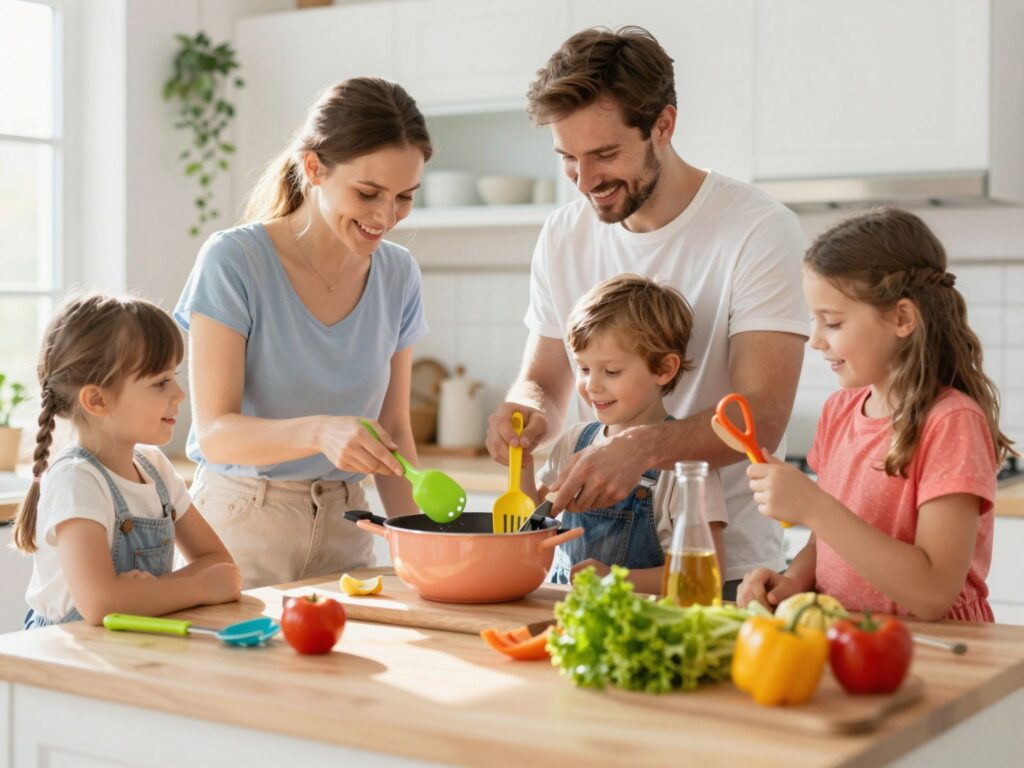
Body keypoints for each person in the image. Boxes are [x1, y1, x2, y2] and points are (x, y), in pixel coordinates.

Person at [485, 27, 808, 600]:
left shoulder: (757, 229)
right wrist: (525, 410)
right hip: (585, 578)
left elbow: (765, 415)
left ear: (663, 124)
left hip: (725, 574)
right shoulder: (563, 235)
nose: (585, 182)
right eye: (568, 158)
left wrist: (638, 448)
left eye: (605, 154)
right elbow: (544, 381)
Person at [174, 77, 432, 589]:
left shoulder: (399, 274)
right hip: (242, 531)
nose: (386, 216)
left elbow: (394, 434)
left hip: (347, 529)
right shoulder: (235, 261)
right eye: (368, 192)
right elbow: (215, 434)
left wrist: (423, 549)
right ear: (314, 167)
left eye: (404, 197)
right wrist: (320, 431)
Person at [738, 208, 1014, 621]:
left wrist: (813, 506)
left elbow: (933, 592)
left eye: (831, 322)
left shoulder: (951, 422)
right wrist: (794, 579)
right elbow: (828, 543)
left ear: (902, 318)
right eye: (814, 320)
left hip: (944, 648)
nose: (814, 340)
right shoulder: (839, 412)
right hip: (850, 636)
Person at [13, 296, 241, 627]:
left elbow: (220, 563)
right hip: (66, 655)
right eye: (160, 382)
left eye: (173, 376)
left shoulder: (155, 468)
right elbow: (101, 603)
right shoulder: (76, 480)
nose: (179, 394)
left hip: (130, 647)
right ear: (97, 399)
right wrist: (197, 586)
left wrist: (143, 594)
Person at [524, 274, 728, 594]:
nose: (592, 385)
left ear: (664, 369)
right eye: (585, 368)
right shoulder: (574, 442)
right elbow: (531, 523)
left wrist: (615, 580)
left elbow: (706, 573)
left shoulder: (683, 466)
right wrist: (520, 458)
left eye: (611, 371)